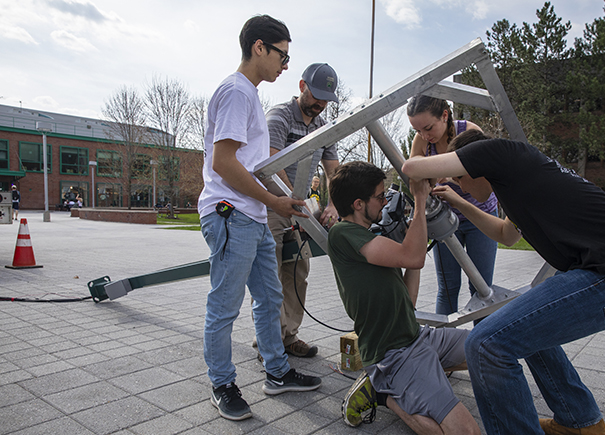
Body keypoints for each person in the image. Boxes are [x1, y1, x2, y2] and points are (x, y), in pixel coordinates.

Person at [402, 130, 605, 435]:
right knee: (518, 328)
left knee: (486, 344)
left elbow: (411, 167)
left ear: (475, 165)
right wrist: (458, 203)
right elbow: (506, 235)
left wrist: (420, 153)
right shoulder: (515, 182)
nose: (458, 185)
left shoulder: (500, 152)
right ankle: (579, 422)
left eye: (460, 178)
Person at [197, 14, 321, 422]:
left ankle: (277, 370)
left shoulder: (249, 94)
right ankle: (222, 383)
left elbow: (257, 159)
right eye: (283, 56)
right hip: (230, 213)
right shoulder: (236, 91)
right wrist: (273, 200)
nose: (286, 66)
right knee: (225, 305)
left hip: (251, 216)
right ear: (259, 48)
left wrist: (284, 198)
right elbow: (225, 164)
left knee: (270, 298)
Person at [328, 161, 481, 435]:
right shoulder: (342, 234)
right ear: (358, 204)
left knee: (488, 348)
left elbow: (409, 296)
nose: (384, 201)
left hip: (416, 337)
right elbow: (413, 256)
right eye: (379, 196)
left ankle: (412, 379)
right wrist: (420, 203)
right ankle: (383, 394)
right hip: (392, 353)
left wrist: (415, 231)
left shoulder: (371, 238)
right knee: (465, 432)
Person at [264, 63, 340, 358]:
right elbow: (271, 162)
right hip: (272, 204)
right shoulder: (279, 116)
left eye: (326, 99)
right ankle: (270, 343)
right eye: (316, 95)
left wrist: (333, 203)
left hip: (300, 207)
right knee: (269, 276)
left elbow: (334, 171)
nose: (320, 104)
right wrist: (292, 197)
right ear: (301, 86)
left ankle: (289, 336)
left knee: (297, 273)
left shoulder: (323, 128)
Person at [406, 95, 498, 316]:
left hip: (480, 216)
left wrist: (437, 171)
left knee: (482, 288)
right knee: (447, 287)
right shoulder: (421, 141)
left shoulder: (469, 132)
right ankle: (444, 343)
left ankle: (484, 345)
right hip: (444, 219)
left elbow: (487, 176)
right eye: (417, 131)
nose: (424, 136)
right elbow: (412, 176)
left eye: (428, 128)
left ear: (445, 116)